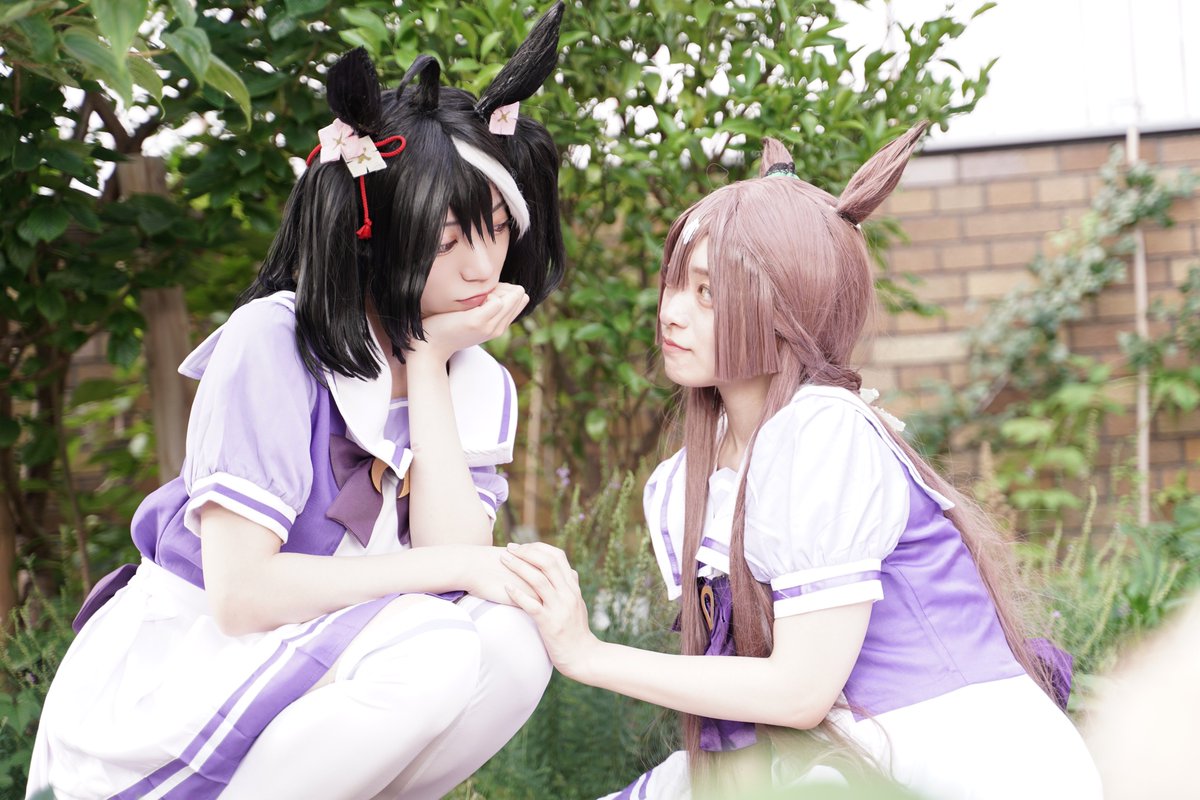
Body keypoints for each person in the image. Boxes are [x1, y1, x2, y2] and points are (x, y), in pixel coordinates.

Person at [27, 5, 566, 798]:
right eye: (449, 240)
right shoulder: (276, 341)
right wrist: (461, 565)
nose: (483, 267)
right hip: (194, 663)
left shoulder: (474, 376)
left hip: (343, 650)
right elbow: (240, 597)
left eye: (495, 229)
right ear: (376, 230)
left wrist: (427, 361)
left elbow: (452, 572)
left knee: (515, 644)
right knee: (435, 647)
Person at [501, 124, 1104, 800]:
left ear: (788, 305)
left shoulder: (821, 433)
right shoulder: (701, 469)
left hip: (960, 761)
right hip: (845, 762)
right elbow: (742, 727)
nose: (670, 312)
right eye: (674, 283)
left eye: (707, 293)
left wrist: (588, 655)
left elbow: (799, 692)